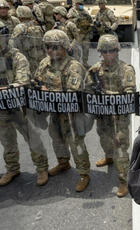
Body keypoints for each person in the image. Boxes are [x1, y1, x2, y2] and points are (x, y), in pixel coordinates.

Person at [34, 29, 90, 192]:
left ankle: (83, 173)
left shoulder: (74, 66)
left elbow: (72, 92)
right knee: (56, 139)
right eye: (48, 47)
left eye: (54, 46)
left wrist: (48, 91)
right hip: (54, 111)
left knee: (76, 144)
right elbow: (37, 80)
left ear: (64, 47)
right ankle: (63, 162)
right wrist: (39, 87)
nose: (50, 50)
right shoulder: (45, 63)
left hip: (72, 114)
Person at [0, 21, 49, 186]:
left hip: (20, 104)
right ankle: (12, 168)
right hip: (1, 107)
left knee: (31, 136)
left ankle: (42, 167)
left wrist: (5, 89)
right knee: (7, 140)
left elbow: (22, 80)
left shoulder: (16, 56)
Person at [86, 34, 136, 197]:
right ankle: (108, 157)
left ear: (117, 51)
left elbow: (129, 93)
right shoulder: (95, 69)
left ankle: (124, 180)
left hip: (119, 116)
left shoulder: (125, 69)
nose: (107, 54)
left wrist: (107, 94)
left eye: (111, 51)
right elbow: (87, 90)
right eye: (104, 51)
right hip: (102, 114)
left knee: (120, 146)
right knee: (103, 137)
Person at [9, 6, 44, 75]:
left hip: (27, 56)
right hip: (39, 55)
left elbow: (12, 43)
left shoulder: (20, 27)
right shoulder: (37, 26)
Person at [67, 0, 93, 68]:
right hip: (78, 34)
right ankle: (77, 63)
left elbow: (90, 21)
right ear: (76, 4)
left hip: (85, 32)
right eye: (80, 4)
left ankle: (85, 62)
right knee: (76, 49)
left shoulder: (84, 11)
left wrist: (89, 18)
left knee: (86, 48)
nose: (82, 6)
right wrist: (76, 19)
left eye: (82, 4)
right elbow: (68, 21)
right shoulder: (72, 11)